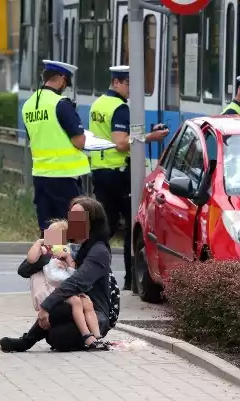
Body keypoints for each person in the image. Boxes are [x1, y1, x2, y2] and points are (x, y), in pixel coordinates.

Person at [0, 196, 117, 353]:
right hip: (69, 304)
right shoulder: (63, 236)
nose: (73, 222)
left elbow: (77, 282)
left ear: (92, 222)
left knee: (58, 336)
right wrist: (47, 250)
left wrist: (46, 306)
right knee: (56, 331)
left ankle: (30, 340)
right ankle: (26, 341)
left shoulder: (99, 250)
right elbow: (24, 269)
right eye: (71, 216)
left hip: (93, 312)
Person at [88, 65, 169, 291]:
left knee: (105, 226)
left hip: (100, 171)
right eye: (128, 84)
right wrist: (150, 136)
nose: (131, 89)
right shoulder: (120, 108)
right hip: (120, 175)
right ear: (117, 83)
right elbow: (121, 143)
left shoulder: (98, 104)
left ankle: (90, 270)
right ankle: (131, 280)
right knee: (133, 226)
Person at [22, 60, 89, 236]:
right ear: (60, 78)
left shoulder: (28, 105)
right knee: (76, 230)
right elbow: (79, 141)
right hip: (65, 177)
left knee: (50, 230)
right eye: (66, 82)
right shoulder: (61, 104)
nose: (65, 87)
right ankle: (71, 262)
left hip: (41, 176)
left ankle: (52, 262)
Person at [24, 219, 108, 350]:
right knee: (76, 302)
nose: (50, 236)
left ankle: (97, 337)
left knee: (88, 303)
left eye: (55, 234)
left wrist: (67, 259)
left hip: (68, 285)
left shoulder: (67, 250)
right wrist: (40, 242)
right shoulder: (45, 250)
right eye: (48, 233)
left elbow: (73, 271)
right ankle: (86, 335)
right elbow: (30, 259)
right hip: (55, 289)